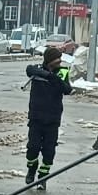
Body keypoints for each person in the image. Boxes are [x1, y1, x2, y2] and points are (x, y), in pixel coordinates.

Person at [23, 44, 72, 187]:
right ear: (50, 60)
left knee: (49, 150)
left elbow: (67, 89)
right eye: (57, 59)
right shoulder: (37, 70)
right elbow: (29, 69)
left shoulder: (62, 72)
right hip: (36, 117)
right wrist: (47, 75)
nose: (59, 62)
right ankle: (32, 168)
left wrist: (53, 78)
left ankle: (43, 176)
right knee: (33, 148)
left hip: (53, 118)